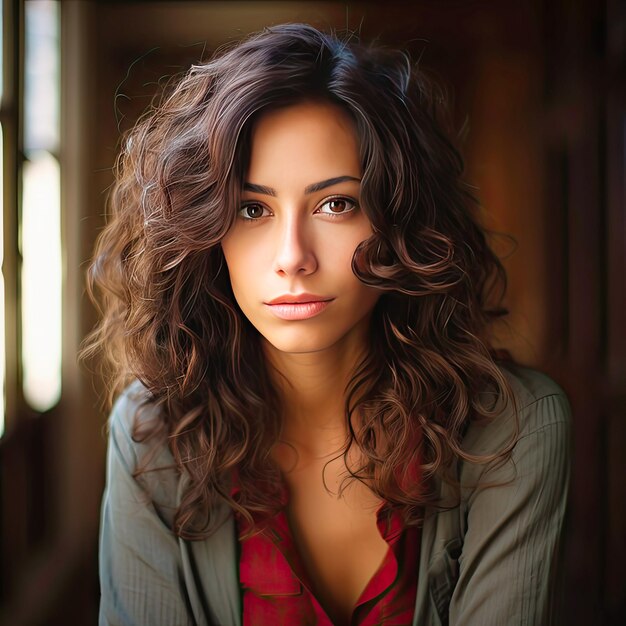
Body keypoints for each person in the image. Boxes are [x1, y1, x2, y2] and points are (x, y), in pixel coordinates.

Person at [87, 23, 570, 626]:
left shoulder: (515, 432)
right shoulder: (151, 437)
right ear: (205, 235)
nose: (293, 255)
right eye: (251, 209)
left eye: (336, 204)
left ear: (399, 221)